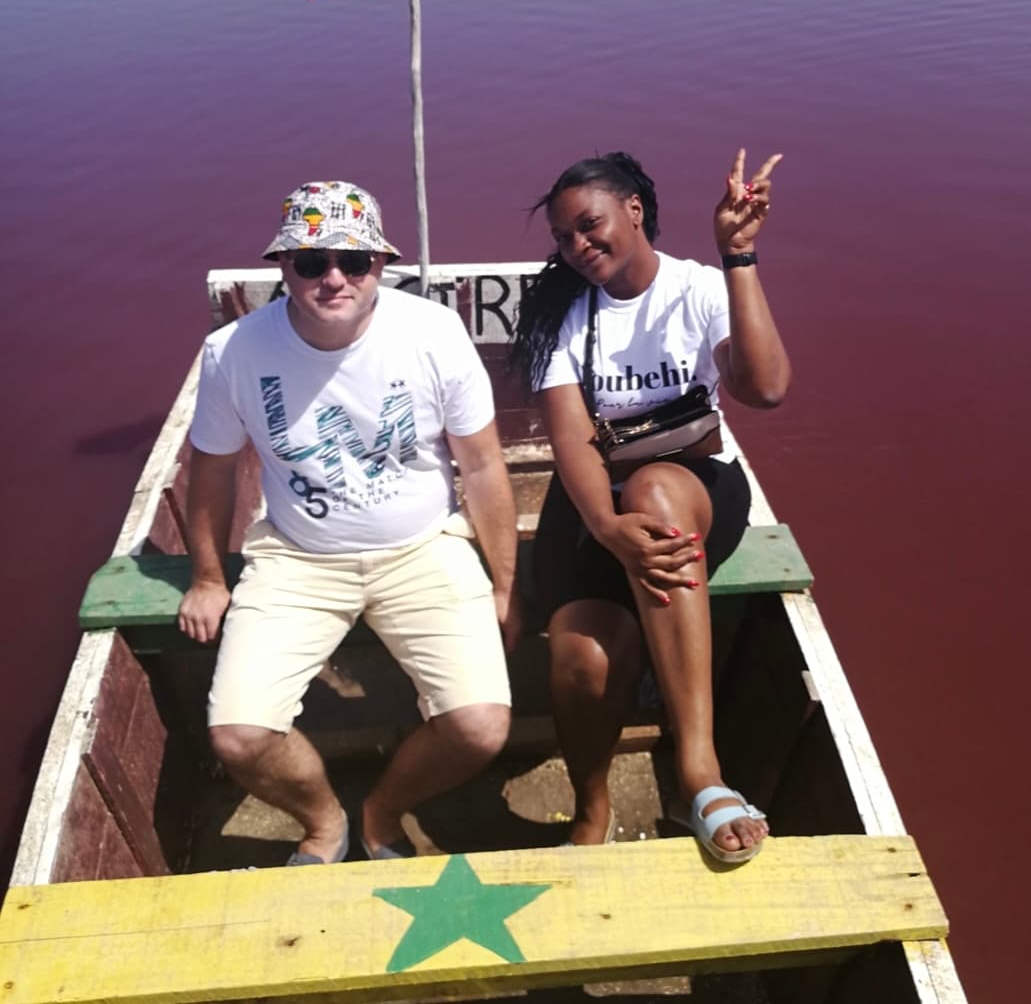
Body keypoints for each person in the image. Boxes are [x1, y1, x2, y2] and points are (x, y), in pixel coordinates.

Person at [177, 180, 520, 865]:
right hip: (296, 557)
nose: (333, 278)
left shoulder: (432, 332)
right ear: (282, 267)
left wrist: (505, 585)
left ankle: (382, 811)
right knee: (238, 736)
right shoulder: (234, 353)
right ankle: (324, 821)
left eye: (352, 261)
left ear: (380, 266)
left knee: (479, 727)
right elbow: (211, 471)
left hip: (425, 548)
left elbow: (481, 466)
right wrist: (209, 577)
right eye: (311, 262)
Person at [511, 149, 790, 863]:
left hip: (693, 492)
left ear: (633, 209)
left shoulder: (697, 288)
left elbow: (764, 390)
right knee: (582, 665)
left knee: (654, 489)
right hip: (596, 508)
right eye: (564, 236)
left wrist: (739, 256)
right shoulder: (565, 317)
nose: (578, 245)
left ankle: (699, 769)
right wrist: (605, 530)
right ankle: (591, 805)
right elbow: (572, 442)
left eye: (589, 224)